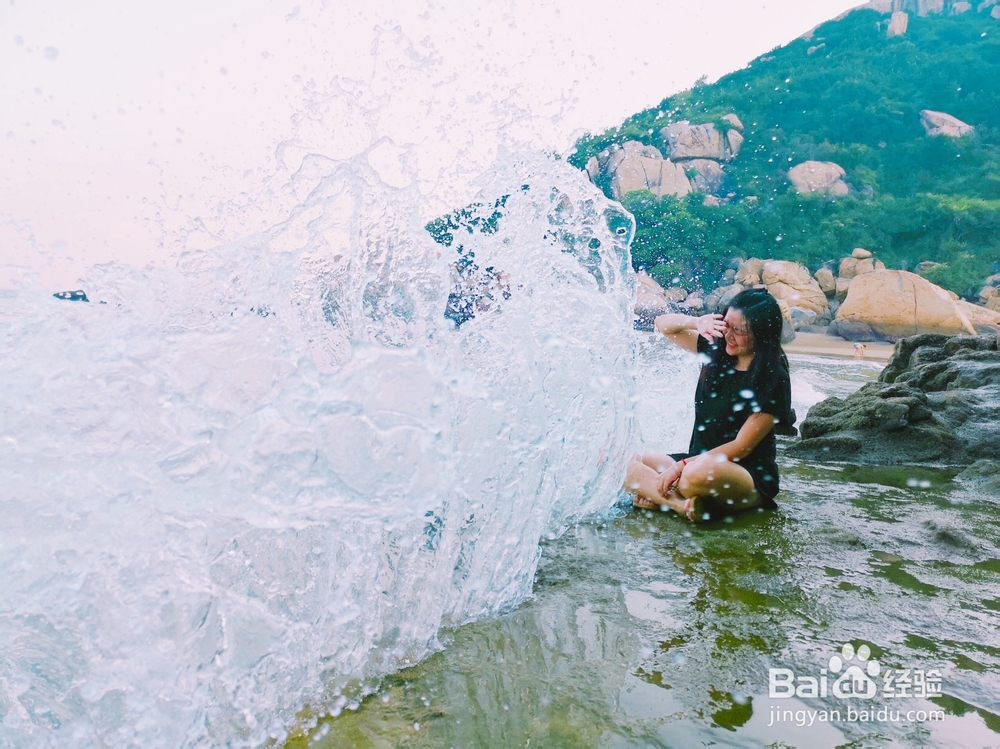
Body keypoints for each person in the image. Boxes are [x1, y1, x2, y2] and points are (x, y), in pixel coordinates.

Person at [624, 288, 795, 521]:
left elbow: (741, 447)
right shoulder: (716, 350)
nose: (729, 335)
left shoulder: (773, 376)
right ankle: (675, 504)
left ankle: (657, 495)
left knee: (694, 474)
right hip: (694, 462)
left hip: (743, 476)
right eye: (727, 325)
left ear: (761, 334)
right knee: (619, 459)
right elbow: (662, 324)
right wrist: (697, 321)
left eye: (739, 331)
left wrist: (679, 467)